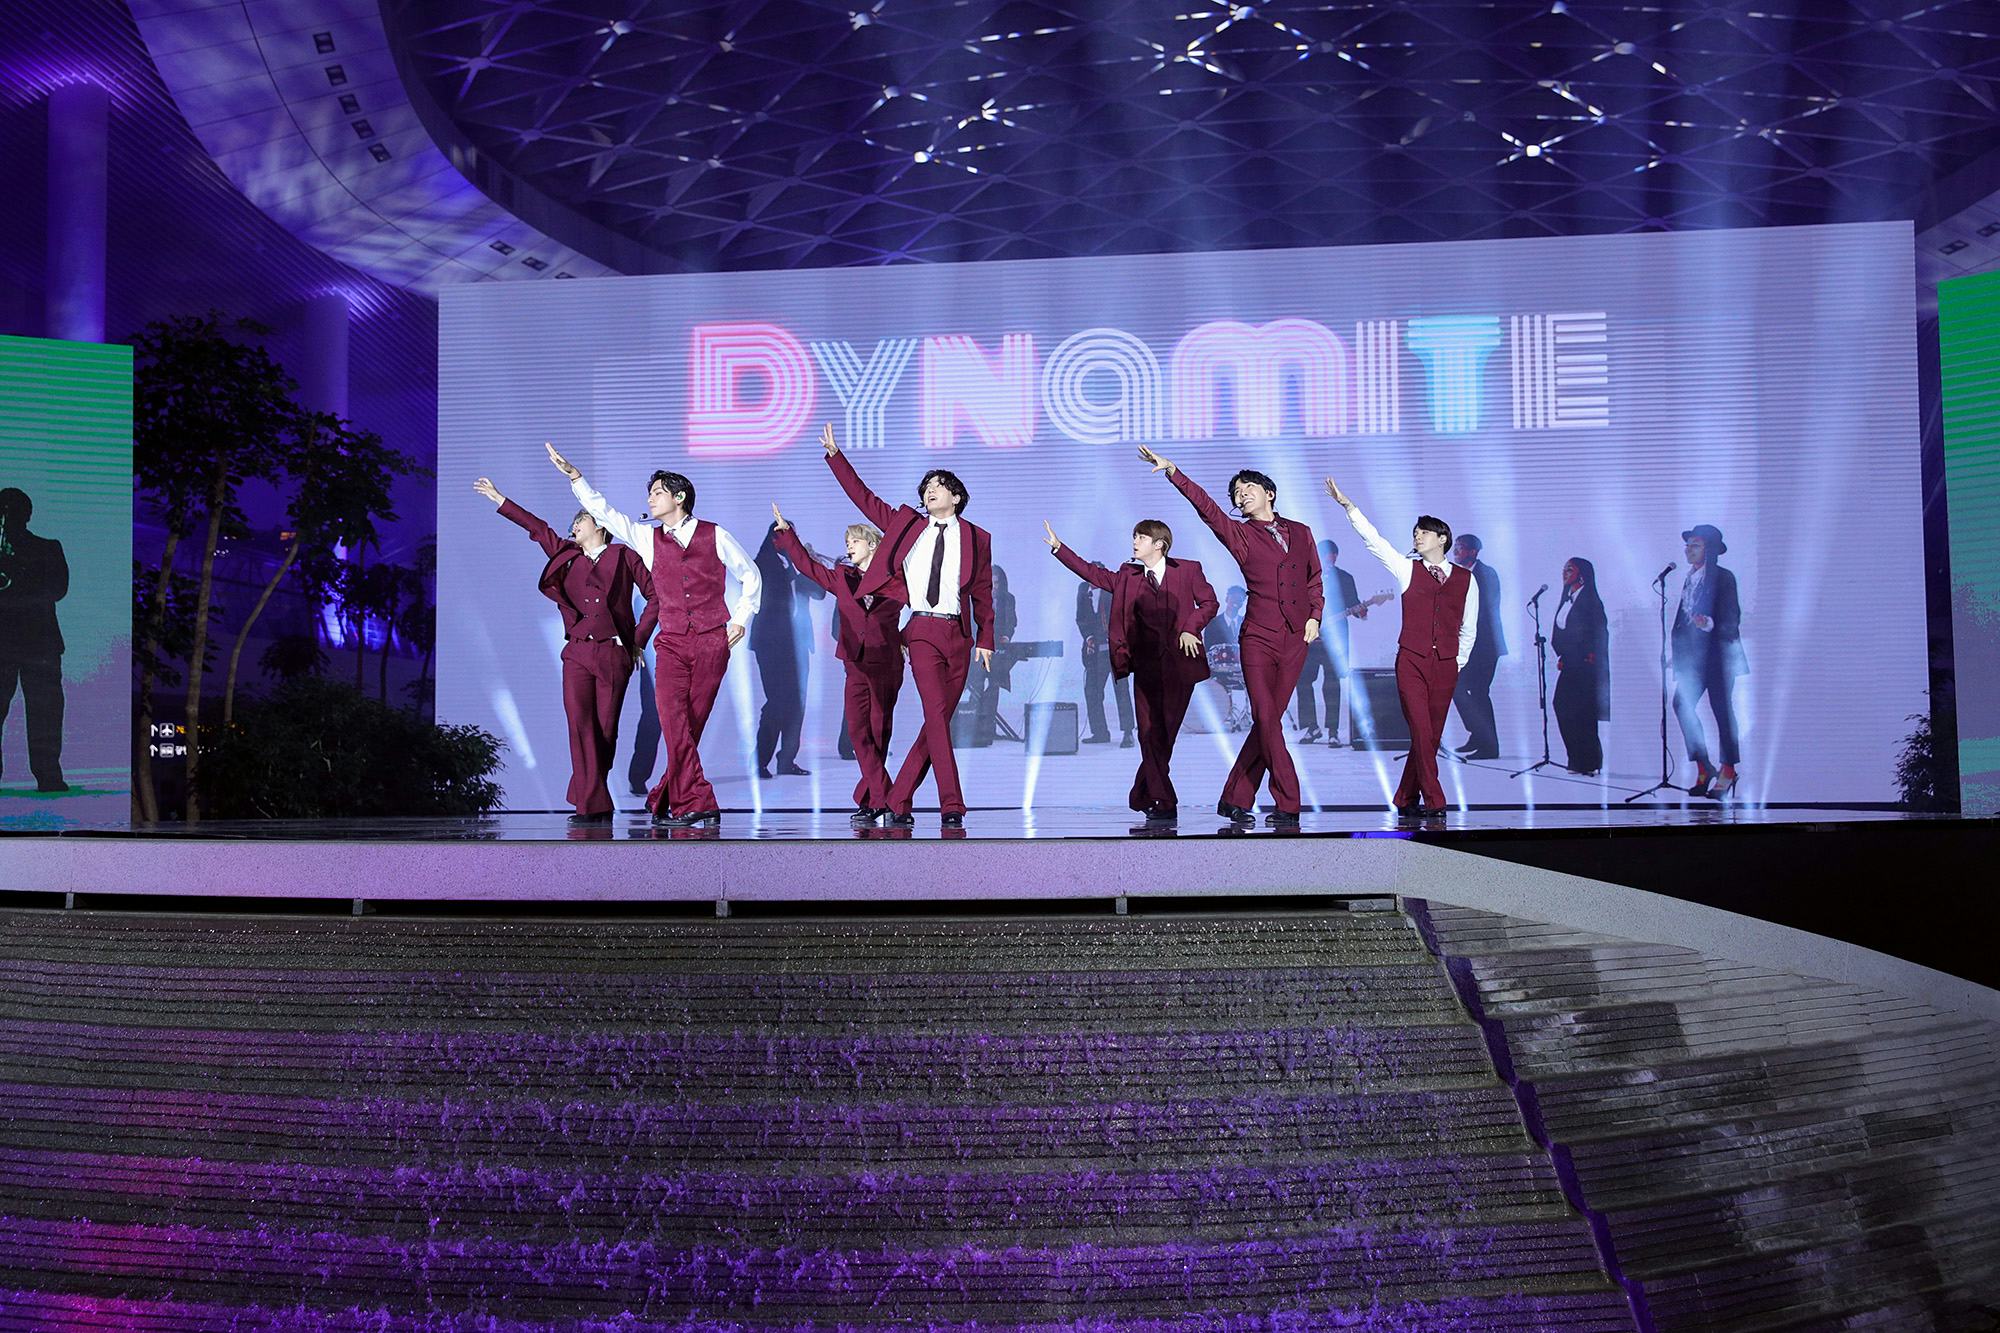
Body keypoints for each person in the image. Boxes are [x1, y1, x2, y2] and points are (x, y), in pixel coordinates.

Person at [547, 443, 761, 828]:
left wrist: (741, 617)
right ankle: (699, 799)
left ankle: (665, 795)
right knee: (673, 721)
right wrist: (577, 479)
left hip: (712, 640)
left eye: (658, 492)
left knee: (691, 724)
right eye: (650, 493)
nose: (650, 498)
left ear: (680, 498)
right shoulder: (647, 538)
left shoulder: (714, 534)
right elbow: (606, 514)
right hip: (672, 643)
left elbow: (750, 574)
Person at [820, 423, 993, 829]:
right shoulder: (907, 524)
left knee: (937, 723)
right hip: (922, 632)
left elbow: (983, 591)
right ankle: (952, 803)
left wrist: (985, 638)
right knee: (935, 715)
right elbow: (864, 498)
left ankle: (897, 798)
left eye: (938, 485)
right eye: (926, 486)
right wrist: (836, 457)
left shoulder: (977, 537)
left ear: (956, 496)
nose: (930, 490)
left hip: (959, 635)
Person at [1139, 447, 1322, 827]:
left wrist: (1315, 616)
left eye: (1248, 488)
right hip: (1258, 637)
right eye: (1237, 493)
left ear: (1269, 493)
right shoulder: (1240, 534)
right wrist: (1174, 471)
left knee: (1268, 723)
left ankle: (1234, 799)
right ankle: (1289, 800)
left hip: (1296, 638)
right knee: (1265, 716)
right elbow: (1207, 508)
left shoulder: (1302, 532)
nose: (1241, 495)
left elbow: (1314, 579)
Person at [474, 477, 656, 823]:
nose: (574, 525)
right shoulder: (566, 555)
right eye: (574, 522)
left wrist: (637, 639)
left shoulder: (624, 555)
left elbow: (655, 596)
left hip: (613, 653)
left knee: (605, 730)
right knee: (579, 725)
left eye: (580, 519)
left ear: (599, 525)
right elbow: (536, 527)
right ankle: (591, 805)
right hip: (576, 652)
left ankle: (587, 791)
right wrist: (500, 499)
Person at [1045, 518, 1218, 822]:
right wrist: (1060, 548)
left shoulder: (1188, 570)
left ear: (1159, 544)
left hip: (1180, 665)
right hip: (1145, 666)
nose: (1135, 542)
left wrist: (1191, 628)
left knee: (1165, 734)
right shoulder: (1128, 575)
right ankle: (1164, 801)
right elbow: (1093, 574)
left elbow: (1209, 603)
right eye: (1134, 536)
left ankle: (1142, 793)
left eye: (1141, 537)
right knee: (1148, 734)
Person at [1325, 477, 1477, 819]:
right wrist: (1349, 507)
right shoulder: (1407, 568)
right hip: (1411, 660)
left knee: (1431, 736)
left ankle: (1406, 797)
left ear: (1442, 539)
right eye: (1415, 532)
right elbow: (1374, 541)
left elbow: (1470, 625)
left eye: (1424, 532)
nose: (1417, 536)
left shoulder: (1466, 578)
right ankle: (1435, 800)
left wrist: (1457, 661)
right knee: (1421, 730)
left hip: (1446, 664)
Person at [769, 505, 905, 823]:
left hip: (886, 664)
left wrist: (908, 638)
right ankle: (886, 797)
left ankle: (873, 800)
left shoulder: (897, 578)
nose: (849, 546)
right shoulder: (843, 577)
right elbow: (807, 566)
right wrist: (788, 535)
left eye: (854, 541)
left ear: (872, 544)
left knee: (879, 732)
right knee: (857, 731)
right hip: (855, 663)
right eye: (847, 542)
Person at [0, 488, 68, 793]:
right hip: (7, 643)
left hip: (40, 644)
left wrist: (15, 569)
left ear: (26, 515)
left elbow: (56, 589)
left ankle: (49, 776)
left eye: (11, 511)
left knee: (45, 714)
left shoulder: (47, 548)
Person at [1672, 523, 1746, 799]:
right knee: (1681, 705)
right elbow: (1682, 622)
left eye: (1696, 545)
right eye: (1688, 545)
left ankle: (1728, 769)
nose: (1688, 550)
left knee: (1722, 711)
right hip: (1692, 661)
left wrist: (1709, 624)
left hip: (1719, 658)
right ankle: (1704, 765)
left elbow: (1732, 617)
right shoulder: (1689, 579)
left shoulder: (1723, 578)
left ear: (1709, 550)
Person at [751, 521, 826, 780]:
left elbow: (820, 593)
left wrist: (810, 565)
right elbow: (767, 599)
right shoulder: (761, 564)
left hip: (798, 643)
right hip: (772, 644)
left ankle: (787, 760)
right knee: (777, 701)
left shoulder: (797, 563)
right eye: (785, 535)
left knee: (797, 702)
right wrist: (794, 566)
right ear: (774, 539)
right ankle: (759, 761)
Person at [1296, 539, 1365, 745]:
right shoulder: (1304, 577)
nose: (1326, 558)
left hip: (1335, 641)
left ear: (1335, 556)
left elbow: (1354, 605)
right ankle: (1311, 728)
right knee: (1303, 681)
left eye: (1330, 554)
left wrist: (1362, 611)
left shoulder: (1345, 578)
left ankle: (1333, 732)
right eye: (1323, 554)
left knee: (1332, 684)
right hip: (1310, 638)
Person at [1550, 556, 1609, 777]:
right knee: (1562, 706)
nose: (1565, 573)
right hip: (1570, 661)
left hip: (1585, 663)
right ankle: (1576, 757)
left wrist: (1591, 654)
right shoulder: (1568, 599)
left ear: (1582, 575)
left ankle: (1589, 761)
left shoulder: (1591, 600)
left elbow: (1599, 631)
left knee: (1583, 711)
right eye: (1564, 569)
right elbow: (1561, 631)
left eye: (1570, 569)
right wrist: (1562, 654)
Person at [1450, 533, 1506, 760]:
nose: (1455, 551)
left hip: (1484, 646)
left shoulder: (1486, 574)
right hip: (1467, 646)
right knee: (1456, 687)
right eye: (1455, 547)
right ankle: (1477, 734)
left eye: (1460, 547)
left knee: (1479, 692)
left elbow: (1485, 609)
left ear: (1473, 551)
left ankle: (1489, 746)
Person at [1076, 565, 1136, 747]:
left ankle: (1128, 733)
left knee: (1121, 691)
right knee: (1092, 690)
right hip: (1095, 653)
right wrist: (1089, 637)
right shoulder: (1083, 590)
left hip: (1115, 650)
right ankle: (1100, 732)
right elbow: (1081, 618)